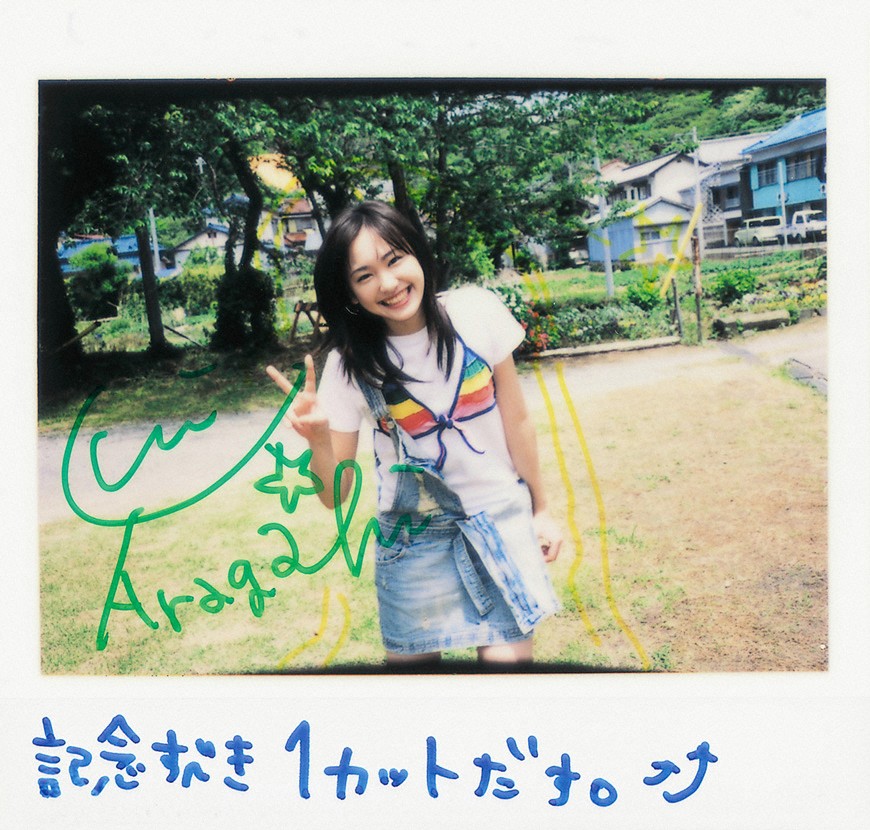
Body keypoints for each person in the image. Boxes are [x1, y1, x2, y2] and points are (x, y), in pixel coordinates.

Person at [267, 201, 561, 667]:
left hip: (499, 521)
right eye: (364, 276)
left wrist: (541, 508)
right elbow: (333, 496)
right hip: (412, 543)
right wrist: (318, 440)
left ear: (417, 253)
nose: (387, 283)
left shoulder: (476, 312)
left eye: (395, 259)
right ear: (350, 292)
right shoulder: (347, 365)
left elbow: (517, 421)